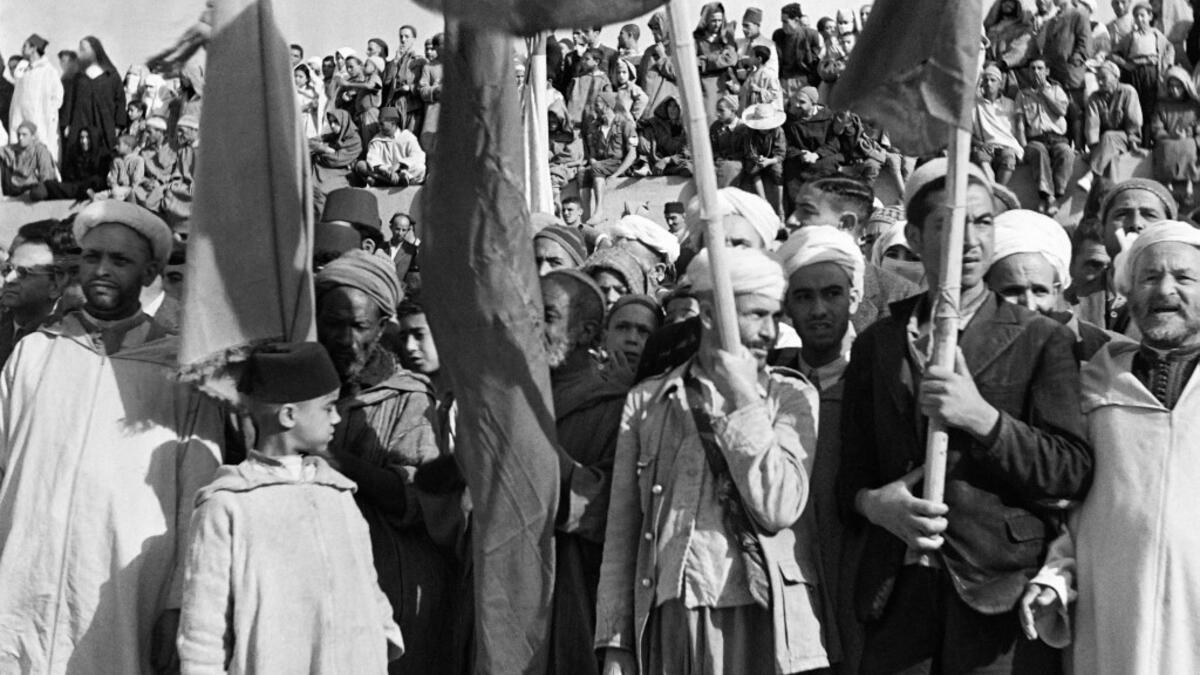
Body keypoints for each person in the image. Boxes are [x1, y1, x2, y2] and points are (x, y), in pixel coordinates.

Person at [836, 159, 1093, 674]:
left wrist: (983, 419)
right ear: (913, 234)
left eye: (982, 222)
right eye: (950, 225)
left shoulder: (1042, 339)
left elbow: (1070, 470)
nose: (971, 241)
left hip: (998, 595)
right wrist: (875, 505)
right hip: (897, 596)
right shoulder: (878, 345)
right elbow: (850, 480)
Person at [0, 201, 223, 673]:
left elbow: (198, 501)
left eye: (120, 261)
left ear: (150, 273)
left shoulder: (180, 374)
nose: (102, 270)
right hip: (22, 580)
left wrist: (179, 602)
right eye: (93, 256)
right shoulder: (36, 354)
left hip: (124, 592)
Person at [596, 245, 831, 675]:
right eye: (755, 315)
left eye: (774, 317)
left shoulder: (793, 397)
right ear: (709, 316)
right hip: (674, 617)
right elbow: (622, 534)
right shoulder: (648, 402)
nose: (769, 332)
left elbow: (778, 505)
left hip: (767, 621)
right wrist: (616, 643)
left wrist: (743, 397)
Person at [1019, 220, 1200, 675]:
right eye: (1149, 277)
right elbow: (1076, 511)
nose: (1165, 290)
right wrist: (1057, 577)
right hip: (1114, 619)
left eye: (1184, 277)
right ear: (1128, 292)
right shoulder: (1091, 386)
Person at [178, 342, 404, 672]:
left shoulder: (338, 494)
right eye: (328, 407)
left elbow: (368, 585)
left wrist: (381, 639)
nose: (337, 417)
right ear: (288, 415)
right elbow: (204, 628)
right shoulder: (229, 505)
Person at [314, 250, 450, 673]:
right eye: (333, 325)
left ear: (382, 327)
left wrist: (332, 459)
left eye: (359, 326)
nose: (345, 339)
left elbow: (415, 500)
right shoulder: (299, 392)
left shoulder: (408, 397)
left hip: (390, 586)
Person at [773, 224, 867, 673]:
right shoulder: (768, 386)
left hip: (858, 585)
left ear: (854, 298)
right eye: (804, 297)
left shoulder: (879, 381)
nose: (818, 309)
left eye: (831, 294)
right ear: (787, 307)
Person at [539, 269, 631, 675]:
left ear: (587, 329)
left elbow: (607, 506)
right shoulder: (511, 402)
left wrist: (530, 445)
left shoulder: (615, 408)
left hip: (572, 599)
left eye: (547, 315)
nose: (531, 326)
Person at [987, 209, 1112, 361]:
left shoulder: (1096, 351)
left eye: (1039, 291)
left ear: (1056, 291)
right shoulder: (961, 350)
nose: (1029, 306)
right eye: (1012, 291)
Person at [1075, 177, 1177, 333]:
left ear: (1169, 231)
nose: (1135, 223)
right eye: (1122, 214)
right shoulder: (1066, 301)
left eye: (1149, 214)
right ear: (1102, 231)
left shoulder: (1189, 302)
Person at [1110, 1, 1174, 147]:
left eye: (1143, 15)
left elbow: (1170, 48)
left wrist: (1165, 65)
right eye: (1137, 16)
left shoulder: (1156, 34)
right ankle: (1135, 142)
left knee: (1150, 107)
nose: (1140, 19)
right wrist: (1125, 64)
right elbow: (1113, 54)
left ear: (1150, 16)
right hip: (1134, 73)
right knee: (1135, 107)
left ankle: (1148, 142)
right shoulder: (1131, 36)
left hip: (1151, 73)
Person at [1016, 57, 1074, 215]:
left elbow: (1061, 111)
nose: (1036, 72)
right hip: (1036, 138)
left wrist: (1044, 93)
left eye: (1040, 68)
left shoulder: (1057, 90)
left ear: (1047, 71)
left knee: (1066, 153)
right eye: (1032, 68)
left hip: (1057, 137)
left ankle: (1053, 195)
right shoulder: (1022, 95)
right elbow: (1020, 123)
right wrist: (1022, 146)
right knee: (1039, 152)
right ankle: (1049, 198)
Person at [60, 36, 126, 165]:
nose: (80, 52)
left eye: (83, 49)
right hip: (80, 120)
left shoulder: (110, 74)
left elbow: (120, 99)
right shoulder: (78, 76)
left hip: (103, 122)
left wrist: (118, 124)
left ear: (95, 50)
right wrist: (66, 122)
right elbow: (69, 99)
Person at [0, 234, 61, 365]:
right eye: (8, 269)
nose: (8, 279)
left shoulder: (60, 343)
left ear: (54, 287)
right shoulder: (3, 324)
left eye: (23, 273)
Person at [1040, 0, 1093, 148]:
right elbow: (1048, 47)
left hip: (1071, 75)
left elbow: (1085, 45)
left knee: (1075, 112)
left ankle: (1080, 150)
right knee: (1059, 113)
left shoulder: (1079, 16)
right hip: (1055, 75)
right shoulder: (1052, 21)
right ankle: (1064, 150)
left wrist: (1073, 62)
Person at [1084, 60, 1143, 188]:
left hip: (1125, 138)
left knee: (1109, 136)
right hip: (1106, 143)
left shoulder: (1128, 92)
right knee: (1110, 159)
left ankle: (1091, 175)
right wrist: (1094, 148)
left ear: (1116, 77)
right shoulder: (1094, 97)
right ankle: (1109, 194)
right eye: (1098, 78)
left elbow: (1134, 120)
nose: (1100, 82)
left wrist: (1133, 140)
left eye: (1103, 78)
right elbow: (1092, 124)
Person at [582, 93, 638, 221]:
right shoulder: (595, 127)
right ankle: (585, 216)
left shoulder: (624, 124)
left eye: (597, 104)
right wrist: (592, 160)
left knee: (596, 167)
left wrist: (615, 175)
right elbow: (592, 154)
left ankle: (599, 212)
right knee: (582, 173)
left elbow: (632, 154)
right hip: (603, 165)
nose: (595, 108)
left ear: (607, 106)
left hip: (619, 164)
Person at [782, 87, 840, 209]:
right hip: (799, 159)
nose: (797, 105)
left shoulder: (827, 118)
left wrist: (816, 155)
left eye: (802, 102)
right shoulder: (789, 119)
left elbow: (833, 143)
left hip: (821, 158)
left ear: (813, 103)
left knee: (826, 169)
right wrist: (800, 154)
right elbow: (785, 144)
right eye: (796, 100)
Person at [8, 34, 63, 162]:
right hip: (20, 123)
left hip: (40, 124)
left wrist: (47, 115)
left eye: (25, 46)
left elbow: (57, 97)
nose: (22, 49)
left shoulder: (48, 71)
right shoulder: (23, 70)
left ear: (34, 48)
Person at [1150, 66, 1200, 205]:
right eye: (1171, 86)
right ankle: (1168, 186)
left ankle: (1188, 186)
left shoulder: (1194, 105)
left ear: (1185, 86)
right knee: (1166, 147)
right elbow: (1156, 127)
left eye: (1178, 87)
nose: (1174, 90)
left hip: (1189, 140)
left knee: (1189, 146)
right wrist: (1170, 135)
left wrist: (1191, 134)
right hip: (1167, 139)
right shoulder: (1161, 105)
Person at [972, 63, 1023, 186]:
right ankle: (993, 189)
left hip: (1006, 145)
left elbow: (1015, 130)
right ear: (982, 83)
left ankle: (998, 191)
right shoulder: (975, 105)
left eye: (993, 80)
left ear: (1000, 84)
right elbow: (968, 132)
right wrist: (981, 144)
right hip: (985, 146)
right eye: (986, 80)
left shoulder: (1010, 104)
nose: (989, 83)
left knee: (1009, 159)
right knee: (981, 156)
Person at [355, 106, 426, 188]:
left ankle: (385, 181)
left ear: (393, 123)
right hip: (385, 173)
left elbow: (419, 155)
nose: (379, 127)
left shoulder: (407, 136)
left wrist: (399, 165)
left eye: (382, 124)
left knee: (420, 168)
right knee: (361, 165)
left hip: (404, 171)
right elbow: (373, 159)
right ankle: (396, 181)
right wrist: (388, 171)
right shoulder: (377, 140)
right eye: (379, 123)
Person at [311, 109, 363, 217]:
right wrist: (324, 149)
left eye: (336, 122)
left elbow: (336, 160)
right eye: (330, 122)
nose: (332, 125)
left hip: (339, 173)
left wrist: (319, 152)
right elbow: (309, 142)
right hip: (321, 170)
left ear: (344, 122)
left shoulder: (355, 140)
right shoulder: (334, 136)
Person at [694, 2, 740, 122]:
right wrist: (719, 58)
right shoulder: (697, 40)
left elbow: (731, 59)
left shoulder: (726, 38)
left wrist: (705, 61)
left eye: (720, 20)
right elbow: (693, 63)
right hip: (706, 88)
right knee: (710, 120)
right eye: (713, 20)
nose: (717, 24)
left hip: (723, 86)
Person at [602, 294, 663, 384]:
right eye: (622, 327)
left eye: (644, 331)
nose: (632, 339)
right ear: (604, 337)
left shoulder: (669, 387)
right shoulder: (578, 379)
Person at [740, 102, 786, 216]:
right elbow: (749, 150)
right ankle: (763, 200)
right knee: (751, 169)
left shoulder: (778, 131)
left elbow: (781, 153)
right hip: (757, 159)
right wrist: (757, 159)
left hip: (772, 159)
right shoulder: (749, 132)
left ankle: (779, 206)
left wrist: (769, 161)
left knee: (777, 170)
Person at [773, 2, 823, 97]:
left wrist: (809, 80)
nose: (783, 25)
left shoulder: (811, 35)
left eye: (785, 22)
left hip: (803, 81)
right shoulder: (778, 35)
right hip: (783, 81)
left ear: (796, 20)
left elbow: (816, 61)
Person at [638, 13, 679, 125]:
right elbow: (640, 80)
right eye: (652, 29)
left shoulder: (677, 48)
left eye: (657, 28)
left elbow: (678, 74)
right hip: (646, 111)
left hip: (666, 111)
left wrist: (663, 56)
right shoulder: (649, 51)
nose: (654, 32)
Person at [383, 25, 426, 133]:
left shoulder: (419, 61)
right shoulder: (394, 62)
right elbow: (387, 82)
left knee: (409, 139)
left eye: (407, 36)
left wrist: (410, 87)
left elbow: (424, 86)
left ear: (414, 39)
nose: (403, 40)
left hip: (411, 106)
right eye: (401, 37)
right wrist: (395, 62)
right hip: (395, 106)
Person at [636, 96, 692, 177]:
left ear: (681, 109)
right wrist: (641, 137)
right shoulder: (659, 122)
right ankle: (645, 165)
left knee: (688, 168)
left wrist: (667, 160)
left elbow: (687, 154)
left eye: (675, 106)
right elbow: (641, 124)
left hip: (676, 162)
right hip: (656, 159)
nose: (672, 109)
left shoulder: (686, 128)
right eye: (670, 106)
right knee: (648, 129)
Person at [0, 120, 55, 196]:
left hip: (31, 185)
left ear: (32, 136)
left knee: (39, 193)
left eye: (24, 135)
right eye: (18, 135)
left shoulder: (40, 150)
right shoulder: (15, 148)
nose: (20, 138)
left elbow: (46, 174)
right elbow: (3, 151)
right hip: (13, 184)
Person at [549, 99, 584, 205]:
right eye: (549, 122)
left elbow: (573, 155)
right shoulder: (547, 134)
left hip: (568, 166)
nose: (552, 125)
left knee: (554, 179)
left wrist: (556, 158)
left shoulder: (573, 135)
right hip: (551, 165)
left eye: (554, 122)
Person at [568, 48, 614, 129]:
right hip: (575, 123)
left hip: (594, 125)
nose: (583, 61)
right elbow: (569, 94)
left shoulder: (603, 81)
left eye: (587, 59)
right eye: (583, 59)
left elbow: (609, 103)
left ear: (597, 62)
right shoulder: (577, 79)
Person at [417, 34, 443, 155]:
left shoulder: (458, 66)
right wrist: (436, 90)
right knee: (430, 145)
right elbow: (422, 89)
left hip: (455, 111)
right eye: (441, 45)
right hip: (434, 110)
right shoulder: (429, 67)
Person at [710, 95, 745, 188]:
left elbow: (746, 151)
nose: (718, 114)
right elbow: (712, 148)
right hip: (719, 161)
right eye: (717, 110)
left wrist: (729, 158)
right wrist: (717, 157)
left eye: (721, 110)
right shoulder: (715, 127)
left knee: (729, 168)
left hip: (737, 162)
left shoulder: (742, 127)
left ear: (733, 111)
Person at [738, 45, 781, 113]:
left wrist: (759, 90)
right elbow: (744, 89)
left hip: (764, 110)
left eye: (751, 56)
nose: (748, 58)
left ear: (759, 59)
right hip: (751, 108)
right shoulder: (752, 73)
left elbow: (774, 93)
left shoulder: (769, 74)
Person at [295, 63, 326, 141]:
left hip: (309, 123)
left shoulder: (312, 91)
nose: (297, 79)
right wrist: (307, 106)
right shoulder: (291, 91)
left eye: (300, 77)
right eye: (295, 76)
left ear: (307, 79)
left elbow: (320, 84)